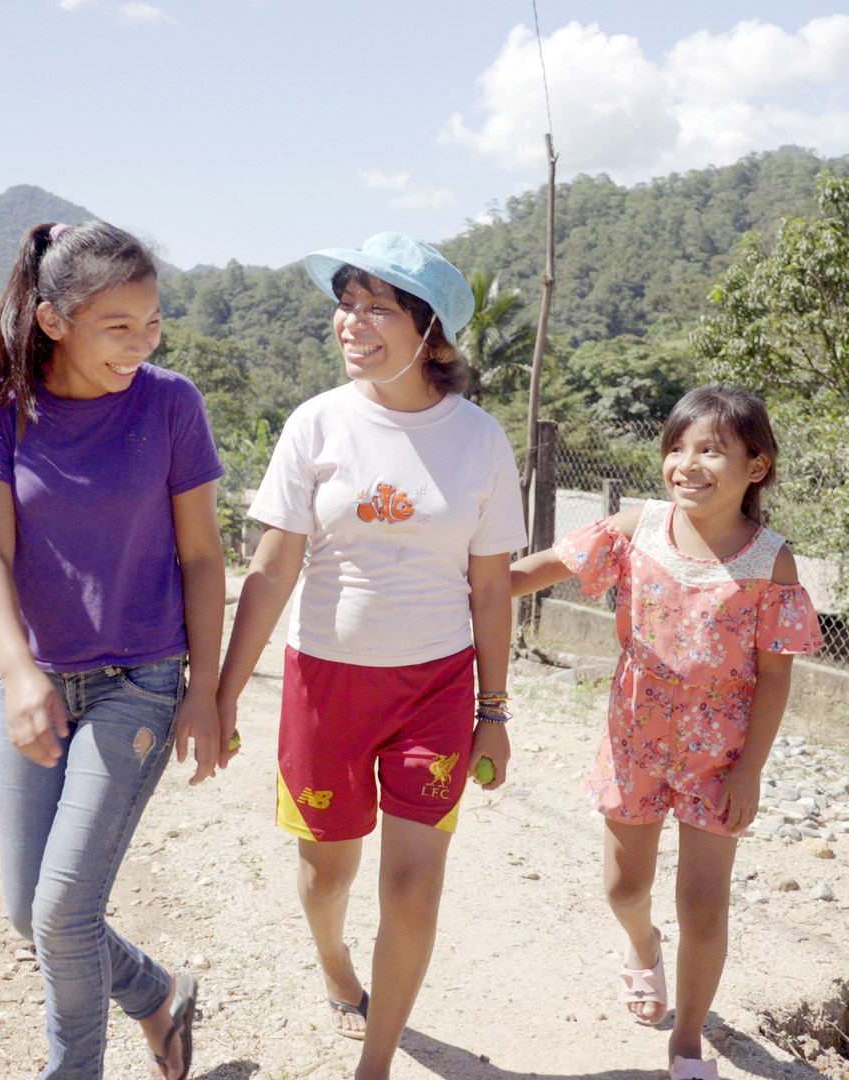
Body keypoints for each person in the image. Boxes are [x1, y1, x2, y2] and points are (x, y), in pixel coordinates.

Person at [215, 232, 526, 1080]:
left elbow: (492, 590)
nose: (352, 322)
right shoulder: (317, 423)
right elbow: (273, 565)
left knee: (414, 887)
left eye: (376, 307)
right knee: (326, 874)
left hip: (435, 686)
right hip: (325, 686)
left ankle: (377, 1063)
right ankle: (333, 961)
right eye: (345, 304)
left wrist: (492, 715)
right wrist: (225, 692)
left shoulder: (480, 441)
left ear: (432, 333)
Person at [0, 220, 224, 1080]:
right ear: (55, 320)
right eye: (120, 327)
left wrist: (206, 691)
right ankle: (155, 994)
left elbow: (204, 557)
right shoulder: (3, 416)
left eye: (152, 325)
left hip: (137, 683)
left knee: (63, 913)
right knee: (26, 909)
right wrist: (18, 672)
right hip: (35, 685)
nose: (141, 345)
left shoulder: (171, 403)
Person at [510, 387, 824, 1080]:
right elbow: (537, 572)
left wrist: (751, 771)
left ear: (756, 466)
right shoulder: (636, 527)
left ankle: (686, 1042)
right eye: (676, 448)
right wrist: (466, 582)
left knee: (704, 906)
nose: (687, 463)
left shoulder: (770, 559)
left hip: (722, 759)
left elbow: (774, 678)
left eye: (711, 449)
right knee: (624, 888)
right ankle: (642, 944)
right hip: (635, 746)